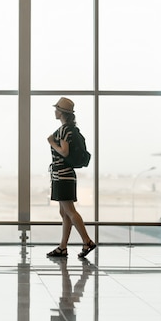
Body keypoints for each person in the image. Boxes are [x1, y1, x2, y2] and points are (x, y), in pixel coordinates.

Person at [46, 97, 96, 258]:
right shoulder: (70, 129)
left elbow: (64, 152)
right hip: (65, 174)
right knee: (65, 212)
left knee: (70, 211)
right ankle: (63, 247)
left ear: (61, 112)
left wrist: (51, 142)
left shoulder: (63, 130)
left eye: (57, 109)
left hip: (62, 175)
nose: (55, 111)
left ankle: (87, 241)